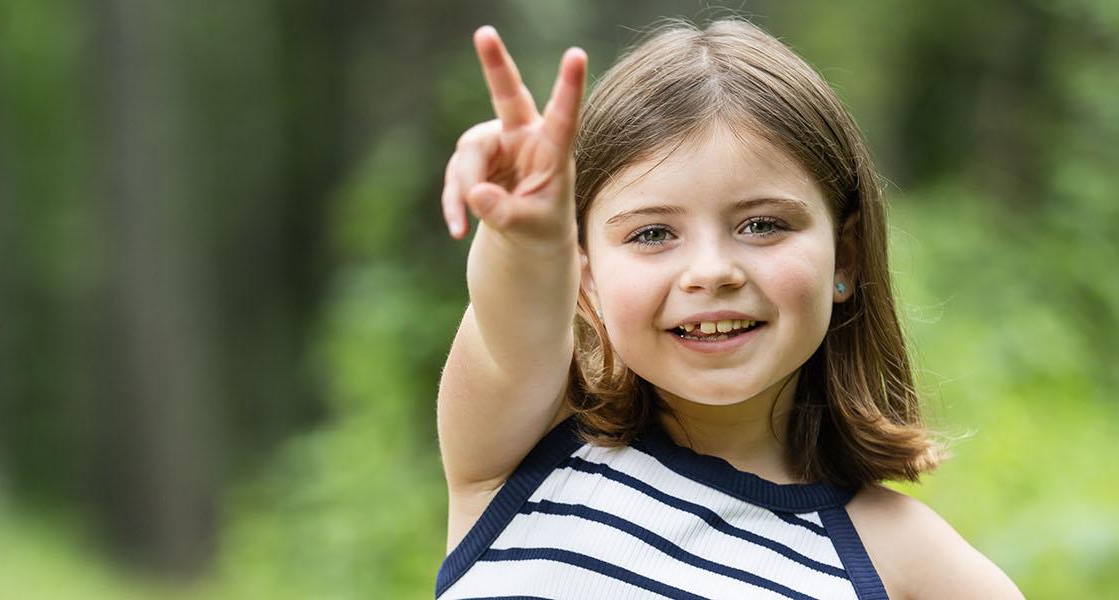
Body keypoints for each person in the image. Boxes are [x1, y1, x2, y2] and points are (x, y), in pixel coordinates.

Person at [433, 19, 1023, 599]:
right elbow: (514, 320)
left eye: (762, 225)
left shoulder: (900, 558)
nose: (711, 271)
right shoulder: (527, 444)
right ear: (586, 280)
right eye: (652, 234)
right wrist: (528, 239)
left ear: (844, 259)